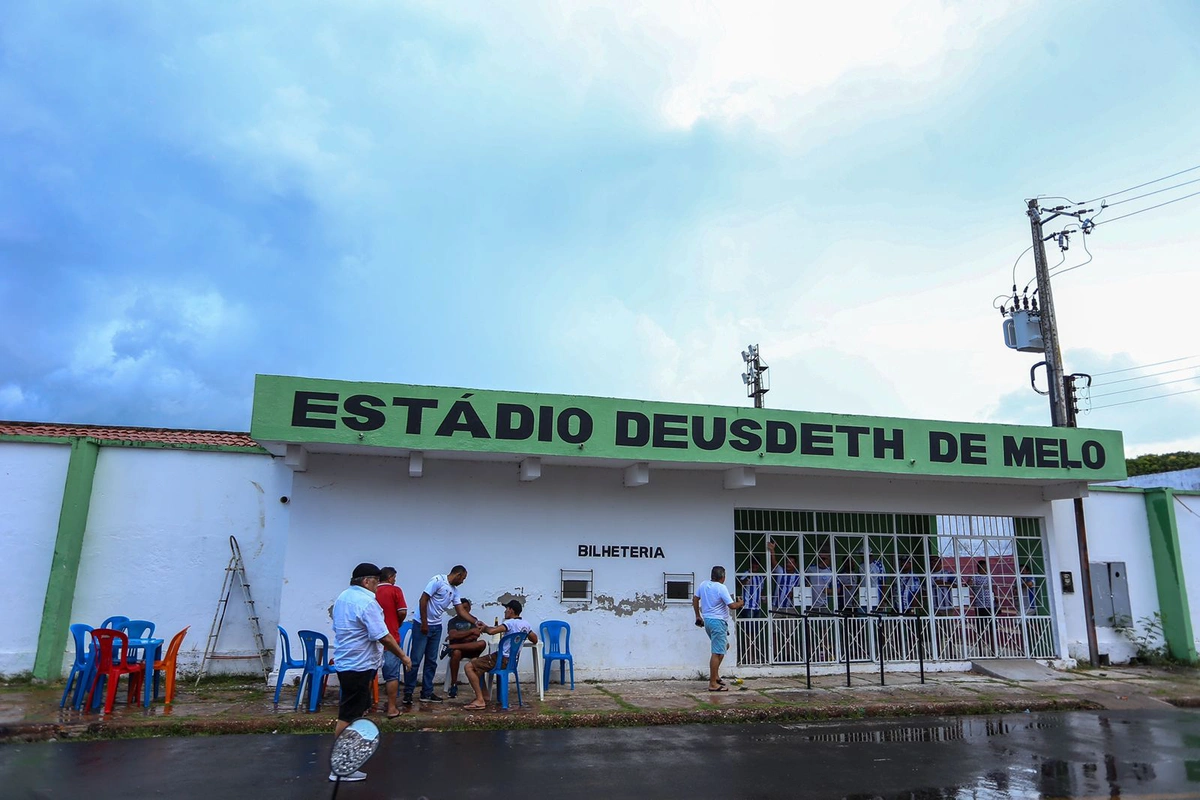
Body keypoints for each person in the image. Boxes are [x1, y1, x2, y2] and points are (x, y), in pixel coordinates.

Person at [330, 562, 412, 783]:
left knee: (353, 713)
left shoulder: (343, 598)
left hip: (347, 662)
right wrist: (403, 655)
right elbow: (383, 635)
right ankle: (340, 766)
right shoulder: (367, 602)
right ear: (367, 581)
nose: (378, 587)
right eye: (376, 582)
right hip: (358, 665)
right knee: (348, 716)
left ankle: (345, 763)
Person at [405, 566, 480, 705]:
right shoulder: (437, 580)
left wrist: (476, 621)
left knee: (431, 661)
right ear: (457, 574)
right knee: (416, 660)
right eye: (463, 578)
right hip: (422, 624)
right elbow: (423, 600)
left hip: (436, 626)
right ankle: (408, 693)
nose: (463, 581)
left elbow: (461, 612)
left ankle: (426, 692)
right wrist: (424, 623)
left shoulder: (455, 591)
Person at [463, 600, 538, 711]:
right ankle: (485, 695)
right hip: (512, 662)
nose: (505, 612)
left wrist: (484, 627)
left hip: (501, 659)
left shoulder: (509, 623)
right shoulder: (526, 625)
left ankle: (479, 700)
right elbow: (535, 639)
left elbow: (493, 631)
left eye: (506, 609)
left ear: (511, 610)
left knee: (469, 667)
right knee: (477, 663)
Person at [692, 566, 744, 692]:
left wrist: (698, 615)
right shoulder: (721, 588)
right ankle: (712, 683)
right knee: (717, 652)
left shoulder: (704, 584)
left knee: (724, 646)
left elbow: (695, 599)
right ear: (723, 577)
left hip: (708, 621)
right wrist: (740, 603)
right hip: (718, 622)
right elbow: (731, 606)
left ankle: (715, 676)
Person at [373, 566, 408, 718]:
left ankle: (366, 706)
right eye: (394, 577)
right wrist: (398, 622)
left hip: (372, 638)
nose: (395, 580)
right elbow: (402, 611)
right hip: (391, 637)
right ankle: (392, 708)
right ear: (390, 577)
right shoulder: (395, 590)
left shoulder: (371, 591)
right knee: (391, 675)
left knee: (369, 673)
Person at [442, 598, 486, 697]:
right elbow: (453, 635)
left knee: (482, 643)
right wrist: (470, 633)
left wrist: (459, 636)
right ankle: (453, 684)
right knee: (456, 652)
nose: (464, 611)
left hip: (470, 649)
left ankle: (450, 646)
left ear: (469, 608)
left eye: (466, 608)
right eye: (462, 608)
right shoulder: (452, 621)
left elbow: (476, 635)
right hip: (458, 650)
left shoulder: (473, 620)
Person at [768, 541, 801, 613]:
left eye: (791, 563)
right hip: (776, 606)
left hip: (790, 608)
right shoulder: (781, 571)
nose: (788, 564)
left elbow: (802, 590)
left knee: (790, 624)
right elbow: (774, 563)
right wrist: (772, 550)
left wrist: (794, 593)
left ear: (795, 565)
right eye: (787, 562)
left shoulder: (799, 576)